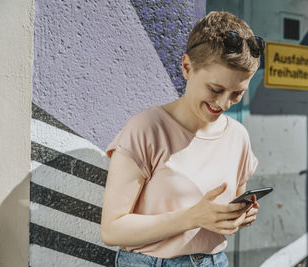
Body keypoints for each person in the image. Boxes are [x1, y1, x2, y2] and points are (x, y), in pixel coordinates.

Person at [100, 10, 265, 267]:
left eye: (237, 93)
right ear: (187, 67)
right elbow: (112, 230)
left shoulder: (238, 136)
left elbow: (225, 210)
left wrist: (240, 216)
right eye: (215, 89)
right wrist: (192, 217)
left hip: (215, 261)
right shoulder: (146, 128)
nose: (224, 103)